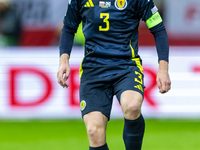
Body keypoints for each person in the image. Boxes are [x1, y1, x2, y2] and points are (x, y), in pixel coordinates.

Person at [57, 0, 171, 149]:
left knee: (132, 106)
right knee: (93, 132)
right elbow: (68, 28)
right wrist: (63, 60)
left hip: (126, 66)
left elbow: (159, 30)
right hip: (93, 69)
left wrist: (163, 69)